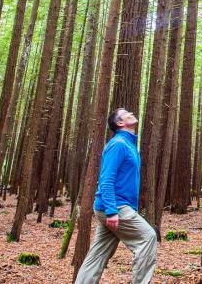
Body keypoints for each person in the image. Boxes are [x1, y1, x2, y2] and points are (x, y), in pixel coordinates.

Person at [75, 108, 156, 284]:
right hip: (115, 206)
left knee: (98, 254)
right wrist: (112, 211)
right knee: (148, 237)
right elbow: (106, 179)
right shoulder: (118, 144)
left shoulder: (128, 145)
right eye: (126, 113)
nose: (131, 113)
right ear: (120, 123)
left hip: (114, 206)